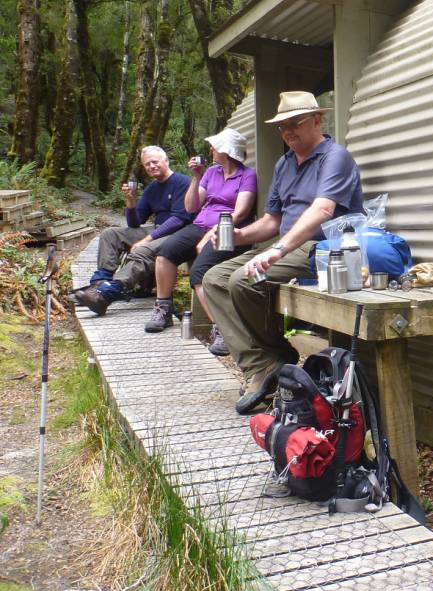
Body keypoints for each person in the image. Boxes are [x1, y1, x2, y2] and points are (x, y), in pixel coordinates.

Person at [203, 91, 364, 414]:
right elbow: (272, 221)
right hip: (289, 245)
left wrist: (275, 251)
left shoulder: (335, 157)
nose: (288, 131)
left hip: (326, 248)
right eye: (282, 126)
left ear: (318, 120)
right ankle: (263, 363)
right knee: (214, 279)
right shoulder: (285, 162)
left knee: (242, 281)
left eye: (295, 123)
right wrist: (239, 235)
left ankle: (275, 358)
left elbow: (323, 210)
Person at [144, 127, 258, 343]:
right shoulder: (211, 173)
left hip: (228, 231)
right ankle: (163, 309)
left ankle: (223, 329)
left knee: (199, 273)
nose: (211, 150)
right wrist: (196, 178)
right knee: (165, 253)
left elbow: (241, 212)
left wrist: (211, 234)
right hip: (199, 225)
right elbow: (190, 207)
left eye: (214, 147)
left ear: (226, 151)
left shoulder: (247, 175)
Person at [71, 146, 192, 316]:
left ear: (166, 161)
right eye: (147, 164)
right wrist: (130, 200)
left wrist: (147, 239)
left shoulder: (183, 182)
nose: (151, 166)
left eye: (155, 162)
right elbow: (135, 222)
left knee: (143, 249)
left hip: (180, 233)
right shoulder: (152, 188)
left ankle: (109, 292)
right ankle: (98, 284)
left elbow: (179, 219)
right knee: (110, 234)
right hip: (158, 230)